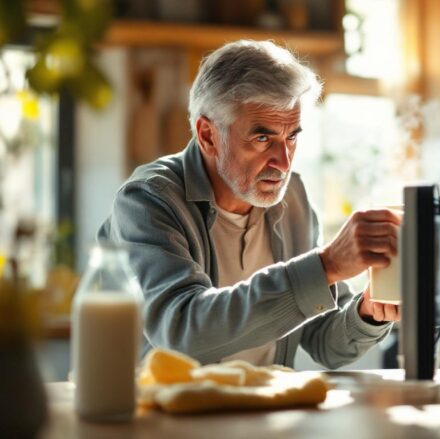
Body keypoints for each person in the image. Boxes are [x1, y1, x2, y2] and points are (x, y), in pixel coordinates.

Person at [98, 40, 401, 368]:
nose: (283, 162)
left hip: (262, 410)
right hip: (170, 414)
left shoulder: (293, 196)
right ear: (208, 135)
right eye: (262, 139)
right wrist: (326, 265)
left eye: (291, 137)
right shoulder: (148, 200)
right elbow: (181, 333)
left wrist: (368, 313)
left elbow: (325, 342)